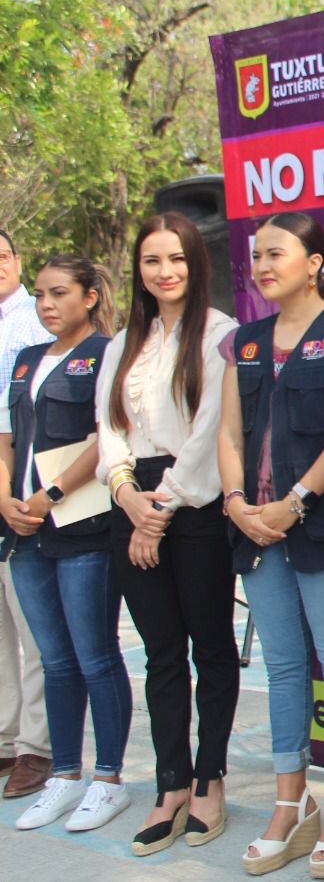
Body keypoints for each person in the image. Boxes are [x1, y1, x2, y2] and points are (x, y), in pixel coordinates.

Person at [217, 213, 324, 878]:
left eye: (276, 253)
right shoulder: (243, 342)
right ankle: (291, 800)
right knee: (283, 667)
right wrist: (237, 505)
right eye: (256, 255)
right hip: (254, 532)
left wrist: (295, 503)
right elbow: (229, 434)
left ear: (314, 262)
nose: (261, 265)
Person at [97, 211, 240, 855]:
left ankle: (211, 779)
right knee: (159, 654)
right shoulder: (122, 341)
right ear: (139, 271)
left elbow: (213, 427)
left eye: (176, 259)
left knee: (210, 648)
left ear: (195, 264)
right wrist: (130, 500)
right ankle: (170, 785)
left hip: (197, 505)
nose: (165, 272)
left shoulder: (220, 335)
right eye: (152, 261)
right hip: (132, 508)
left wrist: (164, 507)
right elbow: (110, 432)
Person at [0, 255, 131, 833]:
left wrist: (49, 493)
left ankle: (107, 779)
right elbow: (8, 438)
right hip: (23, 529)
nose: (48, 304)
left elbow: (107, 437)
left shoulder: (106, 354)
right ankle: (63, 774)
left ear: (90, 298)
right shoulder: (25, 361)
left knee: (94, 655)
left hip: (79, 524)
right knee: (53, 660)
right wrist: (6, 496)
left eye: (60, 294)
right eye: (42, 296)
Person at [0, 229, 53, 800]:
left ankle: (36, 748)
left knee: (34, 632)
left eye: (3, 256)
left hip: (23, 495)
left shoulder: (34, 326)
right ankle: (5, 736)